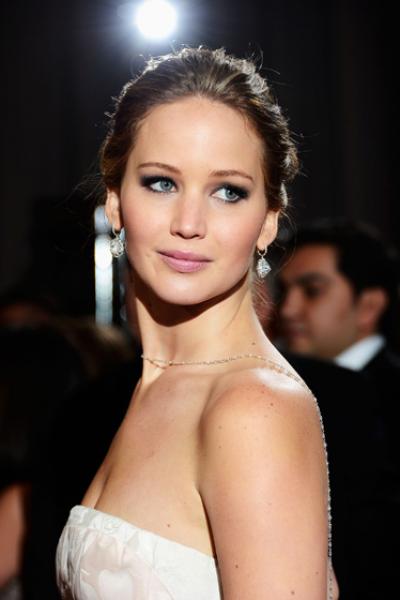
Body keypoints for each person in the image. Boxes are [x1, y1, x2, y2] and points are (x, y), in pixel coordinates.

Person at [56, 47, 339, 600]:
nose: (189, 223)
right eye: (161, 183)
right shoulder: (154, 387)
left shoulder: (254, 408)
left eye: (228, 192)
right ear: (114, 202)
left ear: (268, 222)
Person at [274, 219, 400, 598]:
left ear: (369, 306)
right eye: (285, 291)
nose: (288, 309)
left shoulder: (386, 399)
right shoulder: (290, 386)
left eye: (312, 291)